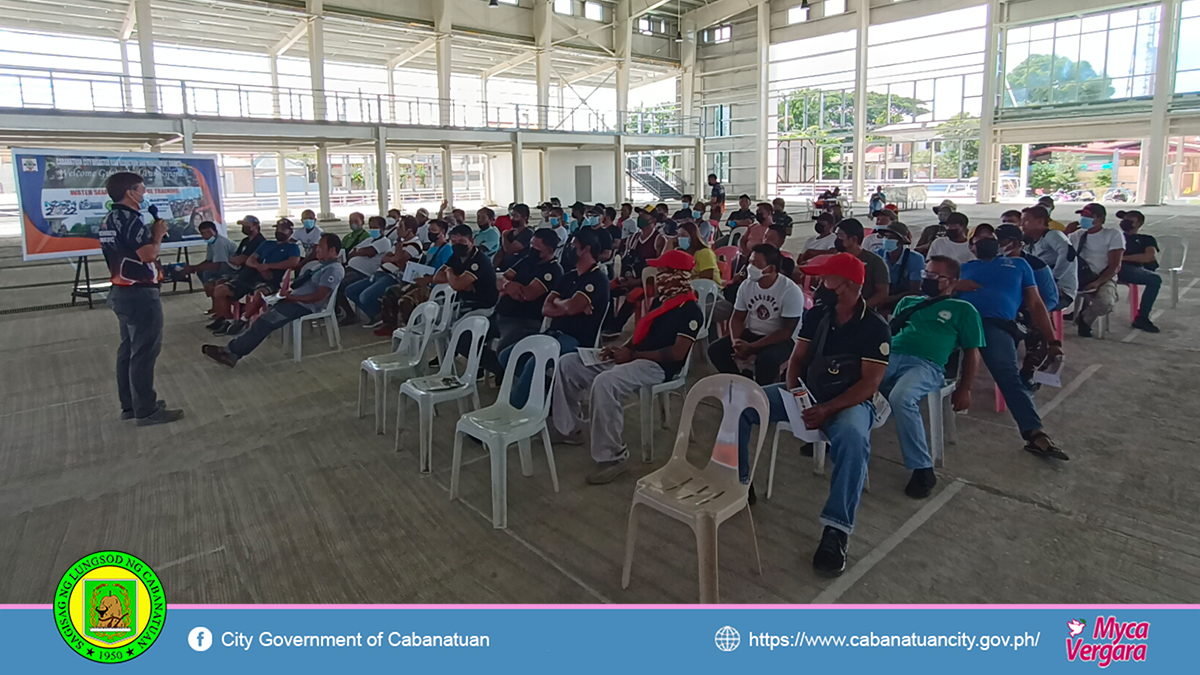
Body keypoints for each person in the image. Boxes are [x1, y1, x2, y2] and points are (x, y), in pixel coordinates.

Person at [736, 252, 890, 576]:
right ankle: (740, 485)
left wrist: (829, 408)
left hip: (848, 401)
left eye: (824, 279)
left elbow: (870, 383)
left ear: (846, 286)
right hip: (810, 392)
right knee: (744, 403)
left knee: (853, 438)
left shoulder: (875, 327)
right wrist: (798, 396)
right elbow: (796, 360)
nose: (817, 285)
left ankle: (837, 530)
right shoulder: (818, 314)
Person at [551, 250, 703, 485]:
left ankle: (613, 457)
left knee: (606, 383)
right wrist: (620, 348)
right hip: (636, 356)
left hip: (658, 366)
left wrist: (632, 355)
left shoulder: (690, 310)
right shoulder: (663, 299)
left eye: (663, 271)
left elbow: (677, 352)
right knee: (568, 363)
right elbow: (642, 333)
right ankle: (568, 428)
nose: (658, 275)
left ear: (677, 275)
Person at [958, 226, 1067, 460]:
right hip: (956, 322)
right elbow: (933, 292)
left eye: (990, 238)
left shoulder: (1019, 266)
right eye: (978, 238)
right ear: (971, 246)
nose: (984, 241)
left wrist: (1053, 340)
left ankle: (1034, 432)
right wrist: (955, 285)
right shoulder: (962, 269)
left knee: (1008, 375)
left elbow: (1037, 305)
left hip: (994, 324)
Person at [879, 255, 983, 498]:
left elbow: (972, 352)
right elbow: (890, 332)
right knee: (851, 378)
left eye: (936, 276)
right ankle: (836, 436)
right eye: (926, 273)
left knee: (901, 397)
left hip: (927, 365)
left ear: (953, 282)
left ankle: (922, 468)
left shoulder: (963, 310)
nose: (928, 278)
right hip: (891, 355)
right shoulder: (908, 302)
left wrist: (965, 388)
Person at [99, 171, 184, 426]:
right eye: (142, 188)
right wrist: (157, 234)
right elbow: (147, 254)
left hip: (122, 290)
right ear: (130, 193)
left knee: (128, 349)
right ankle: (146, 410)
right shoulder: (130, 219)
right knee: (144, 352)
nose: (144, 193)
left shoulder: (109, 219)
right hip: (139, 294)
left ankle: (131, 405)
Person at [502, 228, 610, 408]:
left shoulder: (597, 278)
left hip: (576, 340)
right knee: (508, 356)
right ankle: (546, 394)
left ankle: (513, 411)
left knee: (534, 361)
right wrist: (566, 304)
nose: (569, 249)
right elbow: (547, 308)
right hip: (553, 333)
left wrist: (564, 304)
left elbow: (570, 307)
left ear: (586, 249)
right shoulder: (569, 277)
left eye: (573, 246)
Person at [203, 234, 344, 367]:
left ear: (332, 250)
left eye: (320, 247)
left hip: (305, 305)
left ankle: (231, 351)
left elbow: (319, 296)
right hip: (295, 300)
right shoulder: (322, 266)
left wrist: (292, 298)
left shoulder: (333, 269)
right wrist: (288, 295)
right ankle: (232, 352)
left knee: (264, 323)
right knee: (264, 319)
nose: (317, 250)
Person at [708, 243, 803, 385]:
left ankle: (763, 394)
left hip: (782, 340)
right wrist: (736, 342)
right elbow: (737, 317)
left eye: (755, 263)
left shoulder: (790, 291)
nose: (749, 267)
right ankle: (741, 383)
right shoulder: (747, 285)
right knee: (715, 350)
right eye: (750, 262)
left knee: (766, 360)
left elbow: (786, 332)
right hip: (753, 333)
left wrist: (753, 347)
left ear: (770, 269)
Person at [481, 229, 564, 380]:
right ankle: (500, 371)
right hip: (499, 314)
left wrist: (510, 286)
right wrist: (510, 287)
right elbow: (500, 280)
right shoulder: (527, 260)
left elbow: (527, 294)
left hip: (523, 321)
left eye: (536, 247)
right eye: (531, 244)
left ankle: (533, 383)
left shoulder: (552, 270)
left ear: (549, 250)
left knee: (505, 350)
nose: (531, 249)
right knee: (467, 337)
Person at [210, 219, 301, 335]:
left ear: (290, 232)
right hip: (249, 278)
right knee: (220, 290)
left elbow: (293, 262)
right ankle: (229, 320)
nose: (280, 232)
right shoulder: (267, 244)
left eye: (283, 229)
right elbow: (250, 260)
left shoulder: (292, 248)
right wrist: (260, 267)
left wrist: (268, 266)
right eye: (278, 229)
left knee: (260, 294)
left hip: (269, 281)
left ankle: (243, 320)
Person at [378, 219, 455, 333]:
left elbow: (447, 272)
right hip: (422, 280)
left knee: (406, 301)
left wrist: (428, 280)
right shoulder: (431, 247)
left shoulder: (447, 249)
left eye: (434, 230)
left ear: (442, 232)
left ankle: (410, 328)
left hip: (433, 285)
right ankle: (391, 324)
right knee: (391, 292)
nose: (430, 233)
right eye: (429, 230)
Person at [1069, 203, 1124, 338]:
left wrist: (1098, 282)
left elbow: (1115, 265)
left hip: (1104, 276)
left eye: (1088, 216)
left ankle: (1084, 319)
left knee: (1106, 303)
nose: (1083, 218)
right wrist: (1065, 232)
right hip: (1080, 275)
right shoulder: (1076, 235)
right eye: (1082, 216)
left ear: (1100, 218)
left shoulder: (1113, 235)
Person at [337, 215, 395, 325]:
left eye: (375, 227)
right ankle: (339, 311)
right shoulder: (369, 240)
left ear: (383, 228)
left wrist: (359, 252)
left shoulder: (384, 241)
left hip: (363, 273)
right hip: (351, 269)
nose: (373, 230)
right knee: (334, 283)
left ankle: (352, 315)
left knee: (340, 286)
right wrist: (359, 252)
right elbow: (351, 252)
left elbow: (370, 252)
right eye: (371, 227)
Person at [1020, 205, 1076, 311]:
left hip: (1060, 292)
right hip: (1038, 289)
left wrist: (1053, 279)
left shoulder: (1052, 235)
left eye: (1026, 220)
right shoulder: (1029, 244)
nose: (1021, 224)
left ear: (1040, 222)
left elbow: (1068, 254)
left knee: (1028, 310)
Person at [1116, 209, 1162, 333]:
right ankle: (1081, 312)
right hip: (1116, 267)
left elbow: (1149, 257)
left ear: (1139, 223)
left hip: (1132, 268)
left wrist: (1121, 258)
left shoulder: (1146, 239)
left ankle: (1142, 318)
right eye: (1124, 220)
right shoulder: (1116, 236)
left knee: (1154, 279)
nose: (1125, 223)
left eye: (1130, 220)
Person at [834, 218, 889, 309]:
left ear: (853, 239)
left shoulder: (875, 262)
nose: (837, 240)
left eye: (840, 236)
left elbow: (882, 294)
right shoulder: (835, 260)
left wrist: (859, 308)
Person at [876, 222, 925, 313]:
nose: (886, 240)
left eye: (891, 237)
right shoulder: (878, 255)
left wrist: (890, 299)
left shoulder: (915, 259)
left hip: (907, 302)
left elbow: (914, 290)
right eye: (885, 237)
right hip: (881, 299)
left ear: (900, 241)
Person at [184, 221, 237, 287]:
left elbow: (217, 265)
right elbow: (209, 260)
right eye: (203, 233)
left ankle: (214, 292)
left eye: (209, 232)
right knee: (200, 272)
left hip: (232, 267)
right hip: (223, 264)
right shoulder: (211, 242)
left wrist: (193, 268)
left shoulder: (220, 242)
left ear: (215, 231)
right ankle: (212, 290)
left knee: (207, 273)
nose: (206, 235)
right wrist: (194, 267)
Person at [674, 220, 721, 284]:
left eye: (683, 235)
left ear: (693, 236)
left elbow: (706, 280)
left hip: (708, 289)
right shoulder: (682, 253)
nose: (680, 238)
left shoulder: (705, 253)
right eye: (678, 236)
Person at [497, 203, 534, 268]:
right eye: (512, 216)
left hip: (520, 267)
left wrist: (504, 235)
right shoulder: (511, 233)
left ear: (524, 218)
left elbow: (509, 251)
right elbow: (501, 251)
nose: (512, 219)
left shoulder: (527, 233)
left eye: (516, 216)